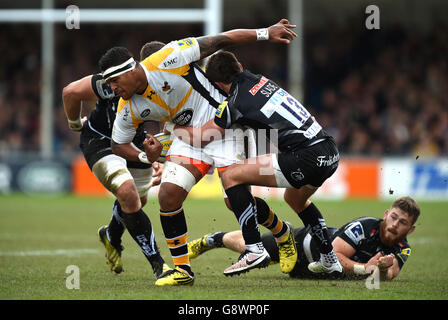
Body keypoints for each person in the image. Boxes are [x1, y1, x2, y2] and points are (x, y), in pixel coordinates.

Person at [99, 19, 298, 286]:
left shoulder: (169, 56)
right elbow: (117, 145)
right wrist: (147, 157)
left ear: (129, 70)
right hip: (187, 137)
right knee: (168, 195)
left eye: (113, 81)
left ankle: (282, 233)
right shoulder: (127, 106)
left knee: (234, 201)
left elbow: (221, 40)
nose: (112, 88)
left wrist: (265, 33)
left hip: (224, 127)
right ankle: (182, 271)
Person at [170, 50, 342, 276]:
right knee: (295, 199)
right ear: (239, 66)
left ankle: (253, 249)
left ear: (219, 84)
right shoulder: (260, 79)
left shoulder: (235, 103)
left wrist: (173, 128)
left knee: (231, 175)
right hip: (329, 150)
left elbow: (203, 137)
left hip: (305, 157)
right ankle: (330, 260)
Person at [62, 41, 170, 279]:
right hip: (100, 141)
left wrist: (161, 156)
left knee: (137, 201)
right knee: (129, 194)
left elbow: (170, 123)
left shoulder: (168, 85)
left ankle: (111, 235)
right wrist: (74, 124)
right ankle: (159, 265)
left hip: (133, 140)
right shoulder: (112, 81)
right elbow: (70, 92)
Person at [188, 196, 419, 280]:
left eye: (403, 223)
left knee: (263, 256)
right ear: (387, 214)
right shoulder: (364, 227)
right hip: (304, 245)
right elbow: (335, 255)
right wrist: (365, 269)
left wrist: (384, 270)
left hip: (311, 272)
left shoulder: (403, 247)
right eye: (394, 218)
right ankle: (213, 239)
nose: (394, 225)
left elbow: (392, 272)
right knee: (252, 249)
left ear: (411, 229)